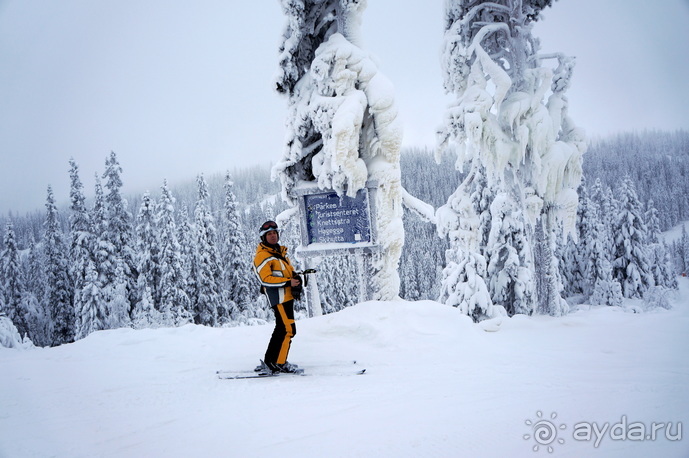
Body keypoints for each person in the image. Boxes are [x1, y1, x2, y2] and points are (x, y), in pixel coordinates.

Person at [252, 220, 302, 374]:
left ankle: (272, 361)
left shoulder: (279, 253)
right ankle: (278, 362)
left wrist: (296, 278)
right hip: (278, 298)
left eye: (274, 233)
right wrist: (288, 282)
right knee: (288, 329)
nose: (273, 236)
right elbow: (265, 279)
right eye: (269, 234)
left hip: (287, 297)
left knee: (283, 328)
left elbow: (288, 272)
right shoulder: (263, 256)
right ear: (263, 237)